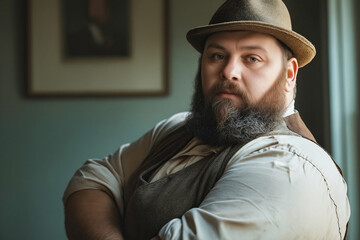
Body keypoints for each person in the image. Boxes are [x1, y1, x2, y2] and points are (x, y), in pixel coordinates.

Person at [63, 0, 350, 239]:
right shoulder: (177, 128)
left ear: (289, 75)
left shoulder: (291, 167)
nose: (229, 71)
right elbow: (92, 178)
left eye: (252, 58)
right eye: (217, 55)